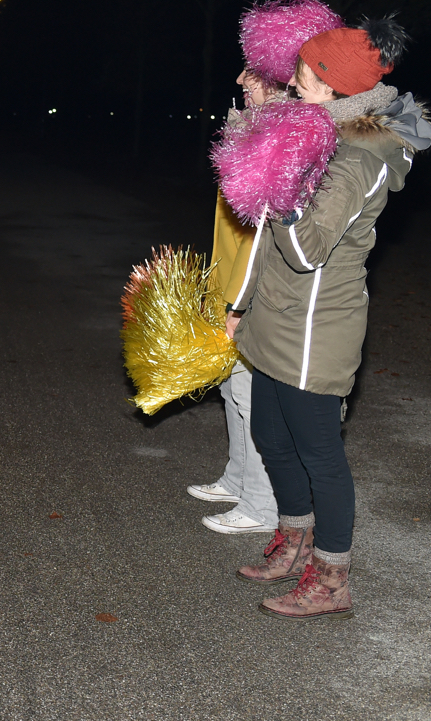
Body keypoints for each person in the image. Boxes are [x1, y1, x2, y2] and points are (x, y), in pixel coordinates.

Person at [231, 17, 431, 619]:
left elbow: (305, 248)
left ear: (331, 85)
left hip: (317, 326)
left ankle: (333, 579)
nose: (290, 84)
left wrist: (279, 190)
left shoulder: (360, 155)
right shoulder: (320, 127)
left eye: (299, 77)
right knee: (271, 434)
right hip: (276, 314)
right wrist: (242, 306)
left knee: (319, 452)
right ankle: (293, 541)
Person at [187, 68, 283, 535]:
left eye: (254, 73)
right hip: (227, 285)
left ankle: (262, 507)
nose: (242, 77)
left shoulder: (282, 141)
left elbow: (265, 237)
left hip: (252, 293)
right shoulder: (252, 132)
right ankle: (238, 480)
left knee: (251, 396)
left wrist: (242, 304)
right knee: (231, 389)